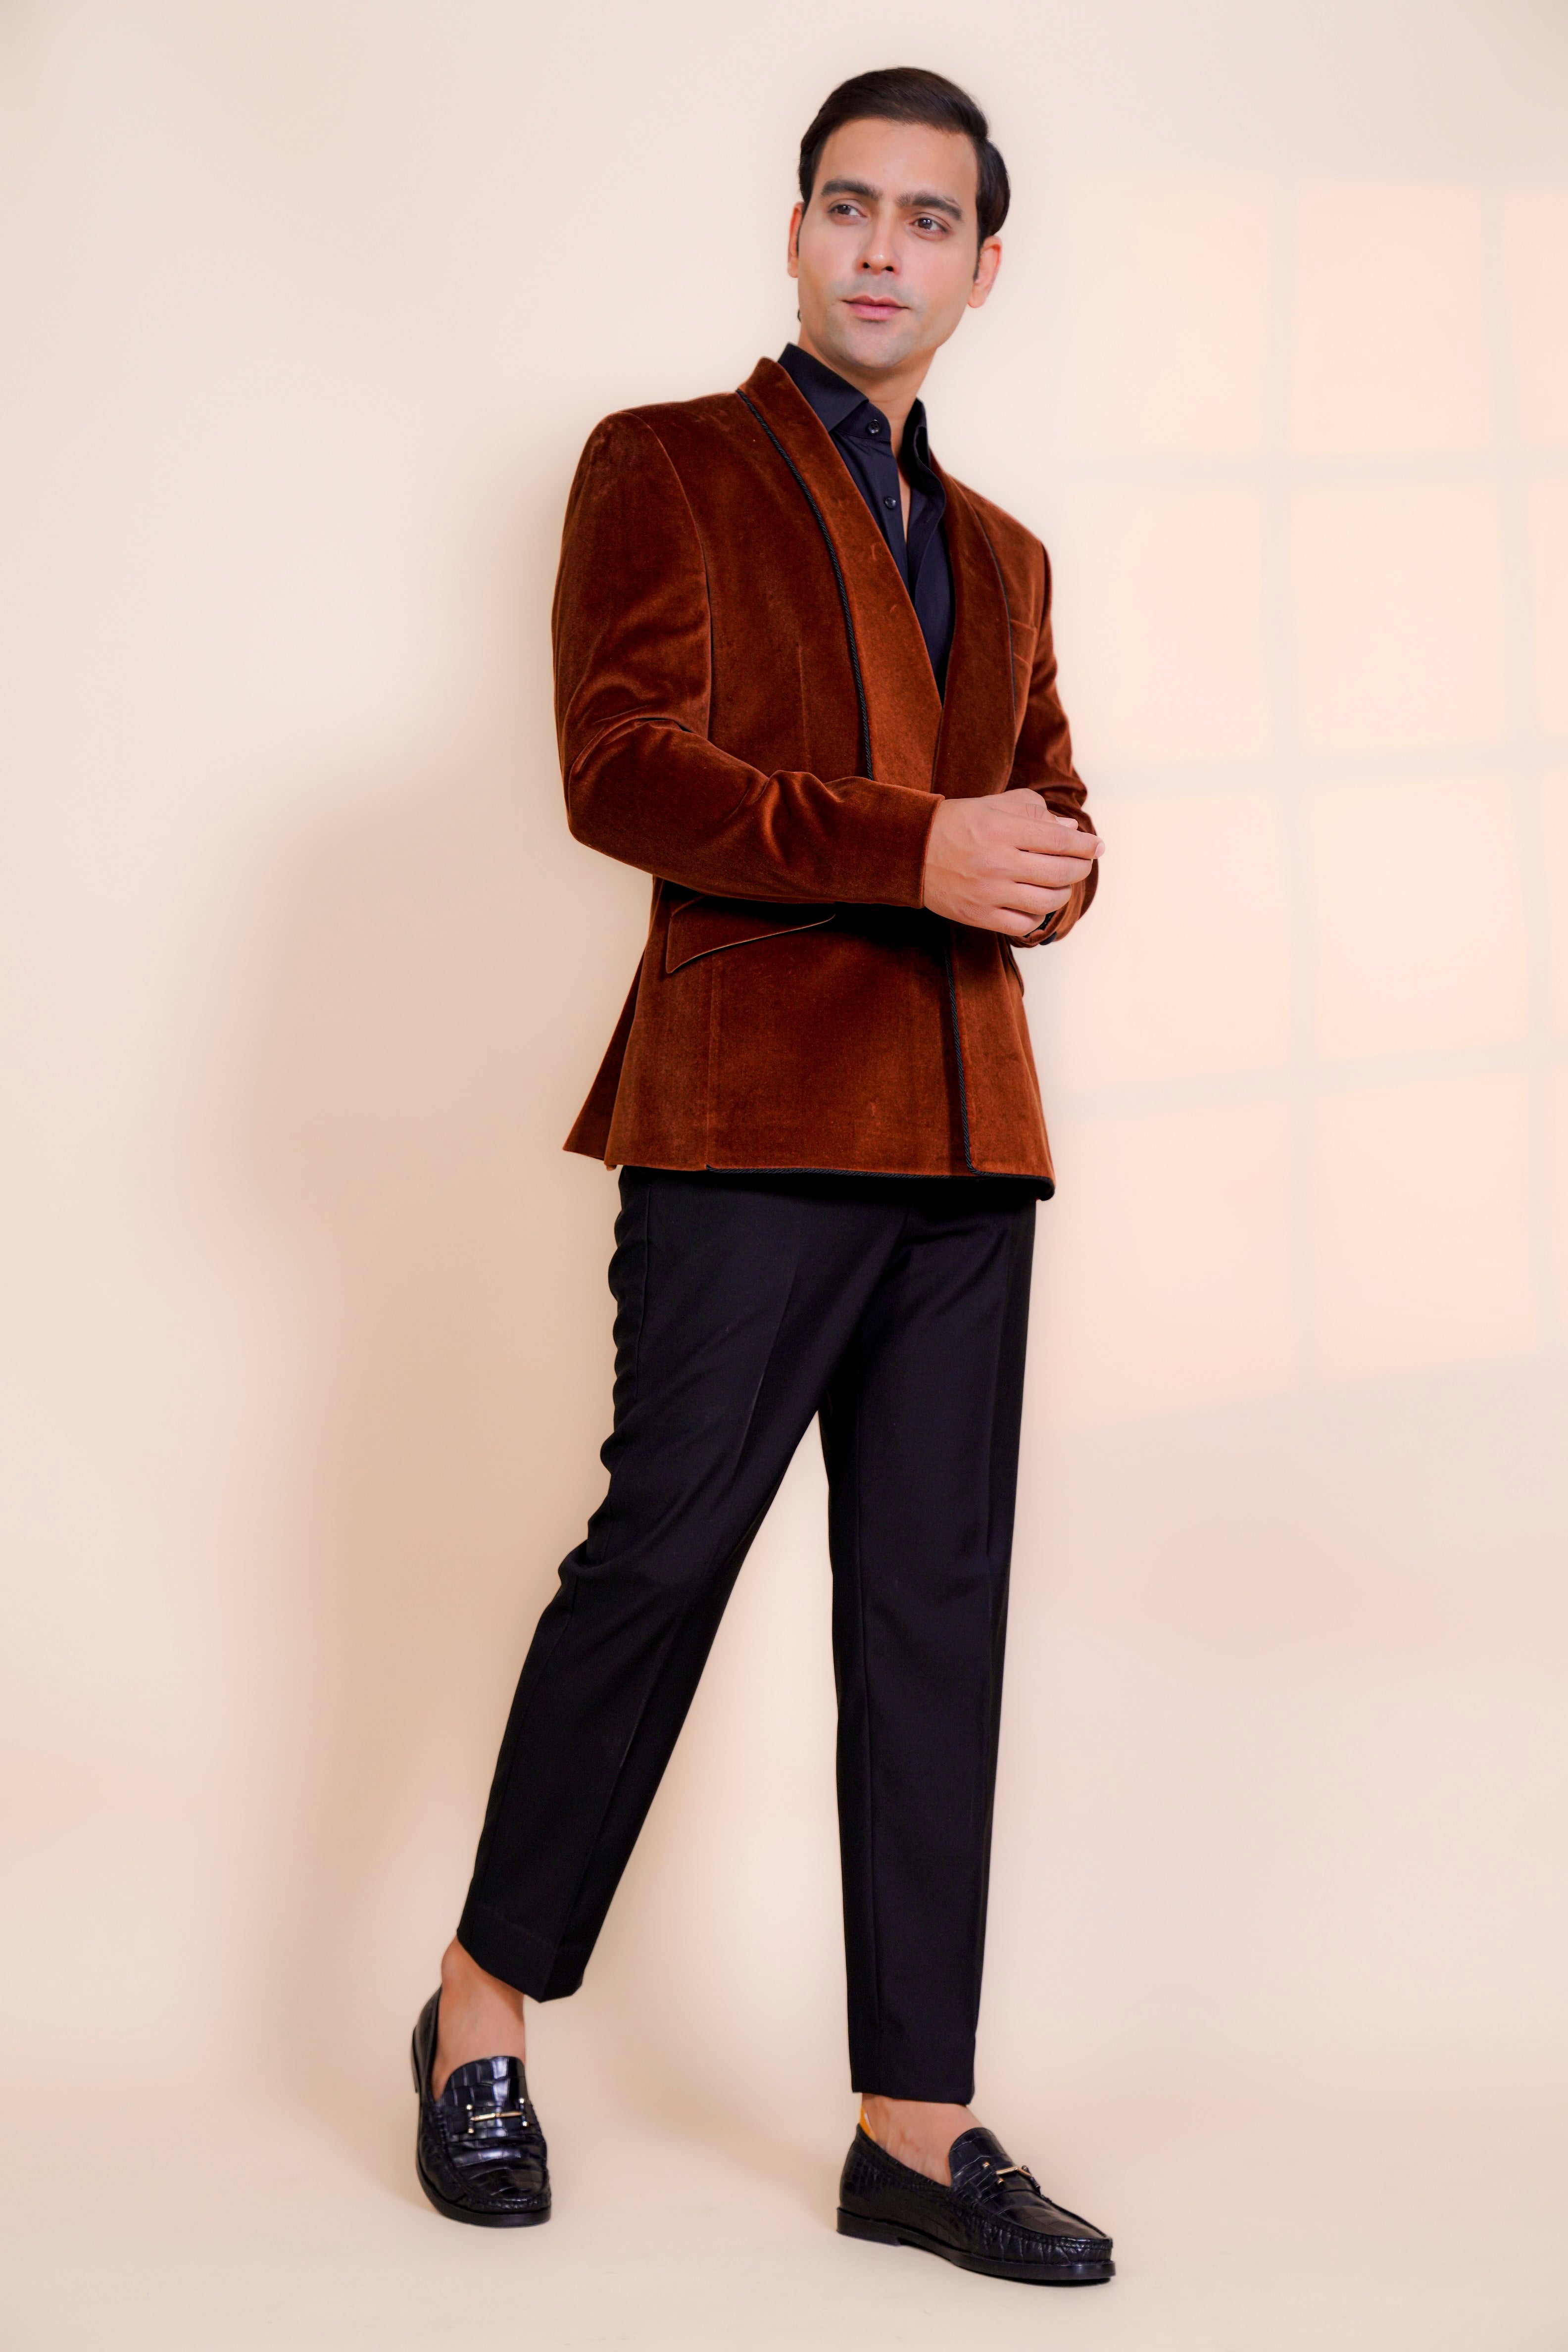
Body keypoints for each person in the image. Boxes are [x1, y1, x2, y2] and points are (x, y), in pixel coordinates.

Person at [410, 65, 1113, 2286]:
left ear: (985, 268)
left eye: (929, 219)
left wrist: (1048, 861)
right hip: (747, 1116)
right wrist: (923, 850)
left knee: (933, 1616)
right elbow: (622, 771)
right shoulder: (666, 466)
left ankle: (916, 2122)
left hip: (967, 1133)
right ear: (795, 231)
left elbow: (1050, 806)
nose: (884, 248)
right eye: (849, 206)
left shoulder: (1006, 555)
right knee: (665, 1556)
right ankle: (479, 2007)